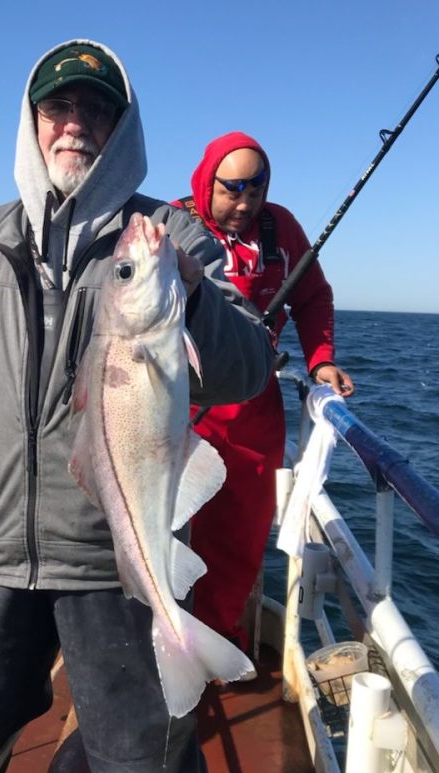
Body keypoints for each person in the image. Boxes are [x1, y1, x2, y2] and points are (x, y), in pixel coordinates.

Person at [0, 44, 275, 773]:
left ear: (123, 130)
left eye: (96, 110)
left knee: (141, 769)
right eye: (59, 108)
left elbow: (250, 364)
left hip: (112, 567)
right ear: (33, 124)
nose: (75, 125)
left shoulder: (172, 240)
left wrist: (192, 295)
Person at [171, 131, 355, 655]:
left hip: (254, 405)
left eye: (256, 189)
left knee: (240, 533)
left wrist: (321, 361)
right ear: (207, 182)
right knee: (166, 529)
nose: (245, 202)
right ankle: (155, 643)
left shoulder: (281, 228)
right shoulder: (170, 224)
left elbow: (313, 296)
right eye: (232, 189)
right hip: (180, 406)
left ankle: (212, 643)